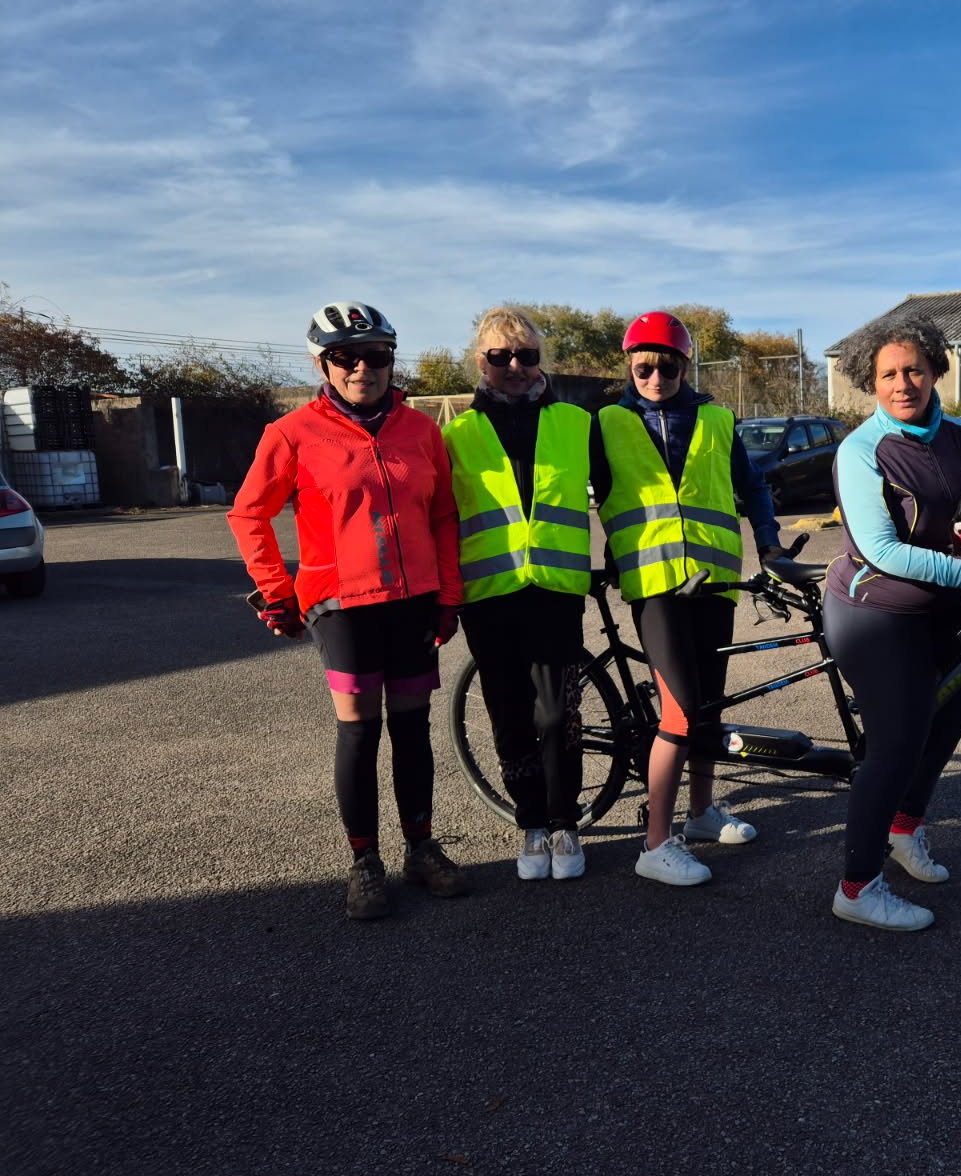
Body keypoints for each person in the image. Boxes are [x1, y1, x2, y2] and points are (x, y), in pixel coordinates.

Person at [228, 300, 467, 921]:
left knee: (413, 729)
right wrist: (276, 589)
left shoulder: (421, 430)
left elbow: (442, 514)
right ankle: (364, 861)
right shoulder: (292, 433)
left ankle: (420, 846)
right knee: (361, 731)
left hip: (412, 602)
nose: (364, 368)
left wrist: (448, 594)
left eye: (377, 356)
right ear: (323, 363)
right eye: (346, 358)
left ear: (391, 359)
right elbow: (248, 513)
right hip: (342, 606)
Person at [825, 316, 961, 931]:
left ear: (936, 370)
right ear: (871, 381)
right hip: (876, 610)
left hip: (941, 610)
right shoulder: (862, 449)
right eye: (888, 374)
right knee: (895, 741)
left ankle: (903, 829)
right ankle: (857, 887)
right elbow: (881, 550)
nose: (902, 383)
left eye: (914, 369)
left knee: (951, 714)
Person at [593, 311, 783, 886]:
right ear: (629, 365)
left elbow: (751, 487)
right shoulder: (604, 422)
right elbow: (577, 490)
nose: (654, 376)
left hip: (714, 577)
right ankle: (655, 843)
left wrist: (770, 545)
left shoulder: (717, 418)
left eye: (666, 365)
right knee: (677, 710)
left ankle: (700, 814)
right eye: (643, 366)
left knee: (710, 704)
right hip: (654, 585)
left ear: (684, 365)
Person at [441, 307, 591, 883]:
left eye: (526, 356)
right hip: (489, 595)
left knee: (557, 716)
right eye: (500, 357)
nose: (514, 367)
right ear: (480, 362)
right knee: (509, 717)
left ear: (540, 362)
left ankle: (565, 822)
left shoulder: (577, 423)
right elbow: (439, 517)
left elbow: (629, 488)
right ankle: (531, 822)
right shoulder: (455, 435)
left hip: (555, 592)